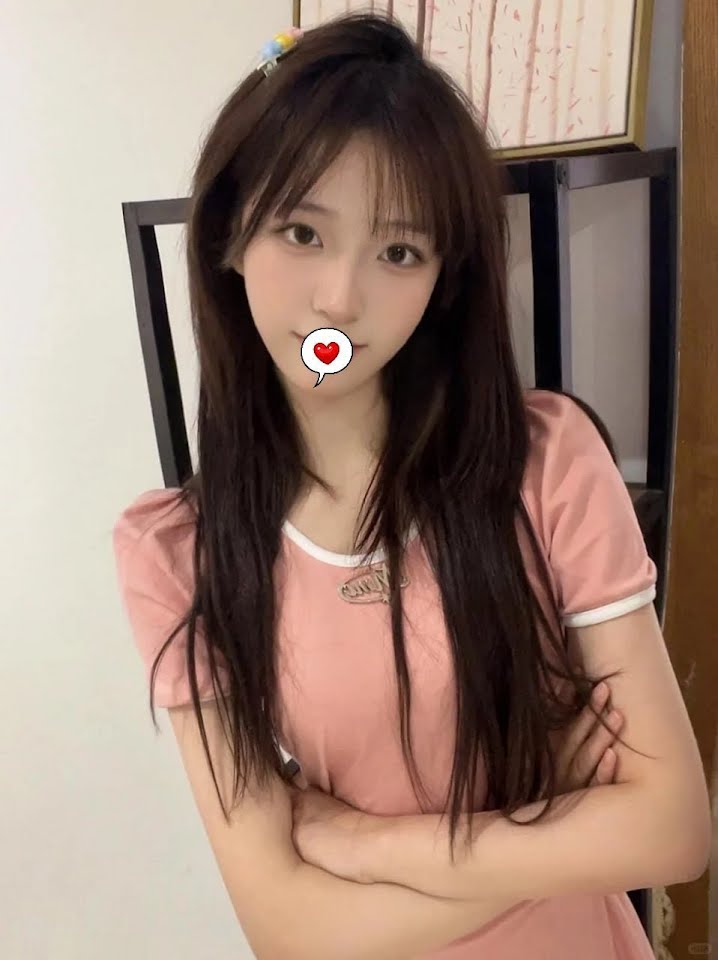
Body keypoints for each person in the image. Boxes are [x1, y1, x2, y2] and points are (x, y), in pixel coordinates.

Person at [111, 12, 710, 959]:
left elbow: (670, 830)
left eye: (399, 252)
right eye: (302, 231)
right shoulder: (176, 550)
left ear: (442, 280)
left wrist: (362, 843)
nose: (340, 300)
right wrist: (554, 827)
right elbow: (290, 933)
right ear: (228, 234)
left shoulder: (545, 463)